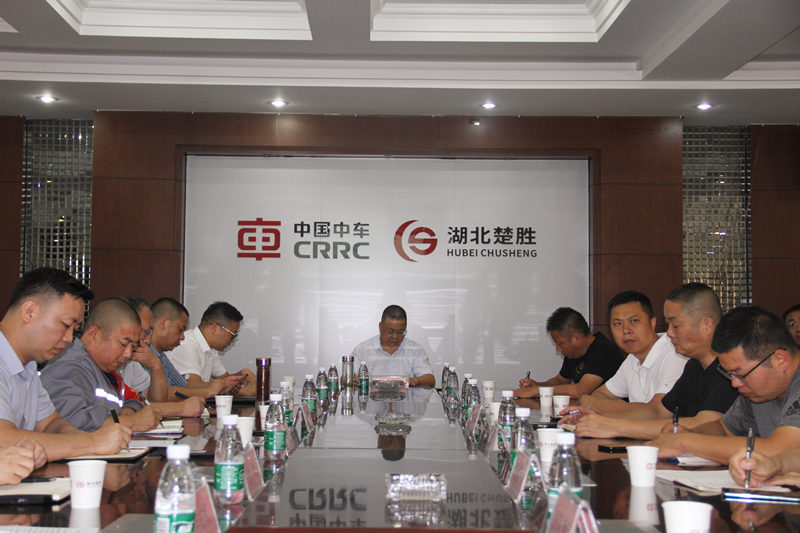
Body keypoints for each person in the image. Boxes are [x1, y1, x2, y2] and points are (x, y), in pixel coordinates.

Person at [568, 283, 738, 439]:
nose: (669, 333)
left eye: (675, 325)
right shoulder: (694, 365)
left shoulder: (730, 369)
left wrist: (615, 426)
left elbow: (705, 424)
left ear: (706, 325)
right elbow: (658, 412)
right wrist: (598, 418)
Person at [0, 267, 131, 461]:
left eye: (75, 329)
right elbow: (4, 439)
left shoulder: (28, 367)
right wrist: (91, 443)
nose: (69, 338)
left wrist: (84, 439)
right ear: (29, 312)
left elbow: (51, 424)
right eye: (65, 325)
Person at [647, 306, 800, 464]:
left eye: (740, 374)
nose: (735, 383)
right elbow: (723, 428)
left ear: (780, 360)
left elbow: (779, 451)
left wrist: (685, 442)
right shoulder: (757, 393)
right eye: (730, 374)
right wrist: (690, 433)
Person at [41, 298, 163, 432]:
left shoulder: (107, 372)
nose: (128, 354)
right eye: (123, 344)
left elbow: (130, 401)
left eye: (133, 347)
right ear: (93, 335)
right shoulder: (68, 367)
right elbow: (71, 421)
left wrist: (130, 410)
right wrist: (130, 422)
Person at [572, 291, 687, 414]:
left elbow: (656, 412)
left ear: (652, 323)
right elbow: (598, 395)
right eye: (618, 324)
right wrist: (616, 406)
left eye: (634, 321)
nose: (626, 330)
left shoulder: (675, 353)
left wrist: (608, 405)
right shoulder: (632, 358)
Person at [119, 296, 225, 401]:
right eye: (180, 330)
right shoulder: (138, 354)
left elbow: (181, 387)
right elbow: (165, 395)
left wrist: (217, 385)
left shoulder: (155, 355)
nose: (147, 339)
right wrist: (206, 392)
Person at [514, 307, 624, 400]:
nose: (558, 349)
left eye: (560, 344)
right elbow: (559, 381)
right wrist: (538, 385)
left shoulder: (604, 351)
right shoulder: (574, 352)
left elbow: (581, 391)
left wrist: (538, 391)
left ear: (576, 338)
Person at [166, 301, 256, 396]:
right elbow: (192, 387)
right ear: (214, 327)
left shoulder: (211, 349)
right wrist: (244, 391)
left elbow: (225, 379)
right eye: (233, 335)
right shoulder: (186, 343)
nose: (233, 340)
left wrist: (241, 374)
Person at [350, 305, 435, 387]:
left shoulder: (415, 349)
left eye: (400, 332)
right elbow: (348, 377)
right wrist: (353, 380)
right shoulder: (363, 349)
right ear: (380, 327)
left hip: (406, 397)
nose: (395, 336)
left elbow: (430, 380)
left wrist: (413, 381)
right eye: (390, 331)